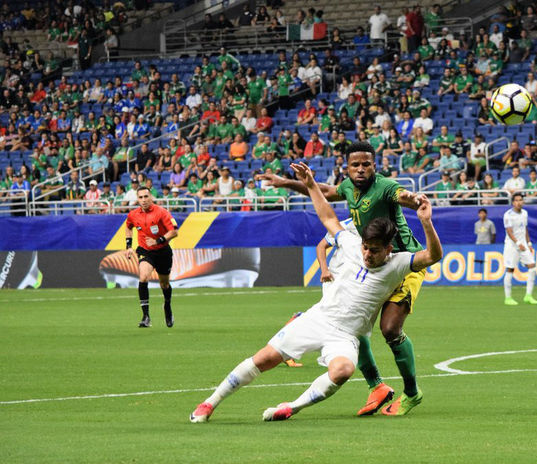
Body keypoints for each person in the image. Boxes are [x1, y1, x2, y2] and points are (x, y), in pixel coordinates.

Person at [189, 162, 442, 423]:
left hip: (346, 336)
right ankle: (209, 403)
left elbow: (433, 255)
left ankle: (291, 407)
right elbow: (328, 217)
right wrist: (309, 184)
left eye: (374, 250)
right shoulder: (352, 241)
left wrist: (425, 221)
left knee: (344, 369)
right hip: (318, 318)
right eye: (366, 247)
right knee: (265, 358)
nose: (367, 254)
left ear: (388, 249)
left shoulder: (399, 262)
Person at [259, 141, 429, 416]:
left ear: (375, 166)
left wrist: (414, 199)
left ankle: (412, 393)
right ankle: (377, 386)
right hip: (371, 265)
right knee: (350, 322)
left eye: (366, 164)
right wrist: (285, 182)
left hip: (403, 263)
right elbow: (324, 191)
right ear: (347, 167)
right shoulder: (348, 187)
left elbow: (402, 195)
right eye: (355, 165)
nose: (361, 169)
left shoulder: (385, 186)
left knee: (390, 329)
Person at [125, 186, 178, 328]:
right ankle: (146, 316)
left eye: (146, 197)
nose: (143, 200)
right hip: (145, 250)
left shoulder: (162, 212)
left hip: (162, 251)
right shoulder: (133, 214)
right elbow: (128, 227)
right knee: (143, 277)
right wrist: (129, 246)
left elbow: (174, 232)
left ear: (151, 197)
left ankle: (167, 306)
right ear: (137, 199)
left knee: (164, 284)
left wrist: (158, 240)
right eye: (140, 197)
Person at [502, 193, 537, 306]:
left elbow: (525, 229)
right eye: (516, 200)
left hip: (523, 245)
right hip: (512, 246)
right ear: (513, 202)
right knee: (510, 269)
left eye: (520, 200)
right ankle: (508, 298)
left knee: (532, 267)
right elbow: (509, 231)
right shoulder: (508, 215)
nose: (519, 202)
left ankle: (528, 295)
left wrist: (529, 243)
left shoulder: (525, 213)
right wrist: (517, 243)